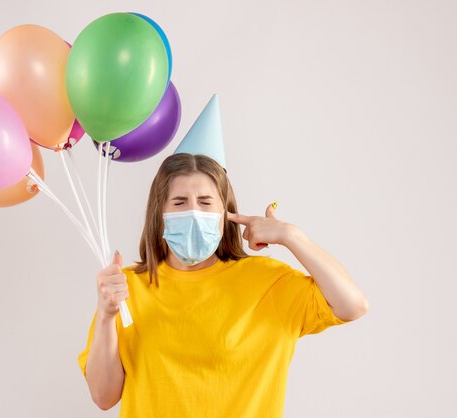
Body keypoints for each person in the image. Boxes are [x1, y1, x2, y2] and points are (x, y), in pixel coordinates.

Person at [77, 153, 369, 417]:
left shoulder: (266, 281)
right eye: (180, 202)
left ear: (225, 214)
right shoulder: (126, 289)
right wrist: (106, 313)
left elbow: (352, 305)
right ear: (160, 214)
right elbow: (103, 397)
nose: (194, 212)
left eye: (205, 202)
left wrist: (291, 236)